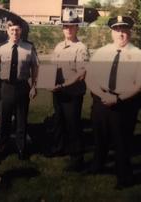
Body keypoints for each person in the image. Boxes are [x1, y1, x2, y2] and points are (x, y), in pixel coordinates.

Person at [86, 16, 141, 189]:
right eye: (117, 30)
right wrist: (101, 94)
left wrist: (117, 98)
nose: (121, 34)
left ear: (129, 32)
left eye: (124, 30)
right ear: (112, 32)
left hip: (125, 104)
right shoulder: (101, 52)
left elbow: (139, 85)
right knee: (99, 137)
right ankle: (97, 166)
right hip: (100, 101)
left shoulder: (138, 54)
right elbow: (90, 77)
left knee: (122, 142)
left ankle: (124, 177)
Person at [0, 18, 39, 160]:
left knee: (21, 120)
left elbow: (35, 67)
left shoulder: (29, 47)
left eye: (17, 30)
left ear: (21, 31)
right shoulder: (0, 47)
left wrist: (34, 86)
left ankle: (21, 148)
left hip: (23, 87)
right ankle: (3, 147)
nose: (15, 32)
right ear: (7, 31)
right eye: (12, 30)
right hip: (6, 87)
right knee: (4, 119)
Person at [48, 8, 89, 171]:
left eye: (71, 26)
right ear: (62, 28)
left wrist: (62, 85)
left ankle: (77, 157)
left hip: (72, 92)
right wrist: (49, 82)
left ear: (77, 28)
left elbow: (81, 73)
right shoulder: (59, 46)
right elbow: (52, 68)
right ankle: (59, 149)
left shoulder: (81, 48)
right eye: (65, 26)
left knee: (73, 125)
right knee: (59, 122)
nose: (68, 29)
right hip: (58, 91)